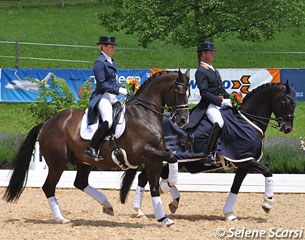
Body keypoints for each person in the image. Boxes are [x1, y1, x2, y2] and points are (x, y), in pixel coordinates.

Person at [84, 36, 127, 160]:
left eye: (113, 46)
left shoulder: (110, 60)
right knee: (108, 121)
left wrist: (124, 87)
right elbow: (102, 84)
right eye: (110, 46)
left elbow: (112, 82)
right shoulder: (99, 62)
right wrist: (118, 90)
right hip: (102, 96)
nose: (113, 48)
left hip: (112, 96)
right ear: (102, 46)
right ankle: (91, 148)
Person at [187, 42, 231, 161]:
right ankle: (209, 153)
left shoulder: (214, 70)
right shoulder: (201, 71)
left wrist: (232, 98)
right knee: (219, 122)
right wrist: (219, 101)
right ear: (203, 54)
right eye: (210, 52)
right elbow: (205, 92)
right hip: (209, 105)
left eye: (213, 52)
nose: (213, 54)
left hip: (219, 103)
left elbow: (221, 89)